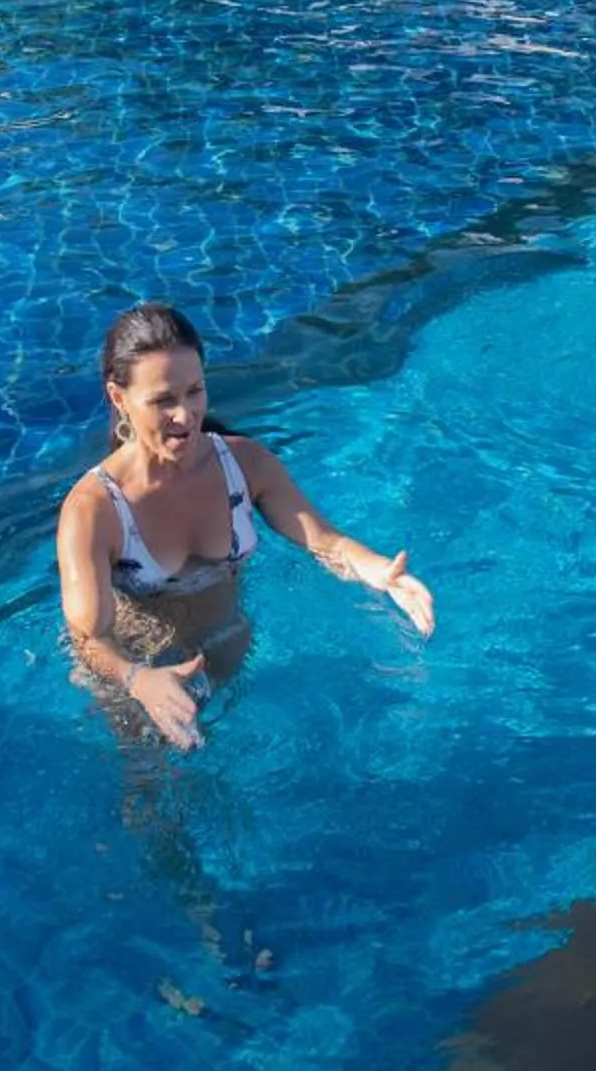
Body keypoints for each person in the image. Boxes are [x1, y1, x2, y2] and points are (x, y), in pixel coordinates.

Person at [58, 301, 434, 751]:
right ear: (119, 398)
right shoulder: (94, 510)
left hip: (230, 655)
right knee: (155, 808)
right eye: (163, 400)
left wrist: (378, 573)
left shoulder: (244, 465)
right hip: (141, 682)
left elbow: (324, 540)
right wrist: (138, 680)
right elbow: (88, 637)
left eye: (195, 391)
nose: (185, 415)